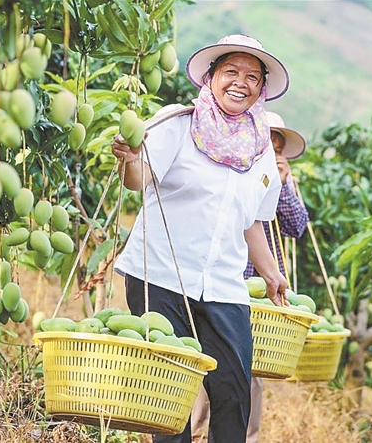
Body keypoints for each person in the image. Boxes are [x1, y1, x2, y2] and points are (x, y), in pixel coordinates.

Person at [111, 34, 290, 443]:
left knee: (233, 391)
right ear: (210, 77)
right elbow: (139, 179)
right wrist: (131, 161)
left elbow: (252, 222)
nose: (240, 82)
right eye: (231, 71)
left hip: (225, 285)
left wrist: (271, 272)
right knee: (169, 395)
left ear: (261, 88)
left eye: (251, 76)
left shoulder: (262, 147)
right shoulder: (179, 123)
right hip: (160, 275)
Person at [190, 111, 310, 443]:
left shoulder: (279, 183)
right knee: (208, 363)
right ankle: (197, 432)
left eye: (277, 145)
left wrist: (283, 185)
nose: (271, 149)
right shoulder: (232, 169)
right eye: (267, 139)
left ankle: (246, 437)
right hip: (223, 282)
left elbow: (297, 225)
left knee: (248, 372)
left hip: (261, 294)